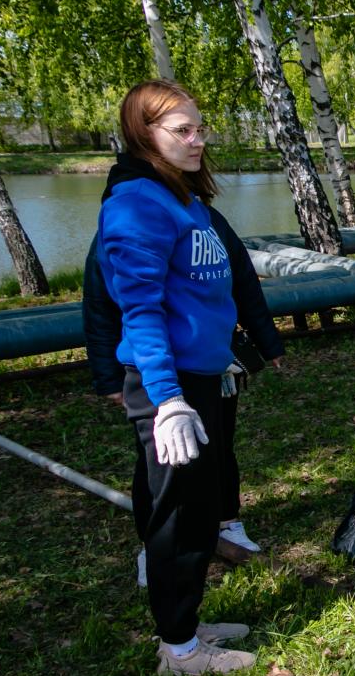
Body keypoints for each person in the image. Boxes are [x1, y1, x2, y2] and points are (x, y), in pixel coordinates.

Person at [96, 80, 269, 676]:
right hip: (167, 387)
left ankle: (187, 624)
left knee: (200, 511)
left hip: (202, 378)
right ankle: (178, 649)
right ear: (145, 135)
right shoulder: (136, 203)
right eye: (182, 131)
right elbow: (139, 309)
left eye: (200, 128)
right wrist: (168, 400)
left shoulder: (188, 201)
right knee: (175, 517)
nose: (198, 140)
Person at [84, 202, 283, 587]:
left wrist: (267, 340)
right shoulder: (128, 219)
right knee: (158, 466)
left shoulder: (208, 219)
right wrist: (108, 377)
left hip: (214, 365)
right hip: (157, 371)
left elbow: (242, 279)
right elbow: (100, 302)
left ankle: (226, 522)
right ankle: (153, 547)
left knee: (220, 447)